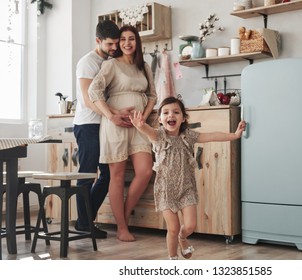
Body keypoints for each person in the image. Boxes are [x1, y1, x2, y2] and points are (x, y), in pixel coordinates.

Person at [129, 97, 246, 259]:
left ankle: (182, 238)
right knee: (173, 228)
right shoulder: (158, 136)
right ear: (161, 119)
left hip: (186, 188)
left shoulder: (188, 136)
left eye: (176, 112)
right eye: (166, 113)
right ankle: (173, 259)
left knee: (190, 226)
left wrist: (235, 135)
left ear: (183, 118)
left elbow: (212, 136)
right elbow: (147, 130)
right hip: (165, 190)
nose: (171, 115)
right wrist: (141, 126)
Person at [88, 25, 157, 242]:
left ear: (137, 42)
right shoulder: (111, 65)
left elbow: (152, 95)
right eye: (123, 39)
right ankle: (121, 228)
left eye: (132, 39)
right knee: (116, 176)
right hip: (115, 124)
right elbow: (93, 91)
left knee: (145, 171)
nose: (127, 43)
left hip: (139, 125)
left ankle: (123, 219)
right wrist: (111, 115)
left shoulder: (144, 67)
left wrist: (143, 118)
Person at [73, 20, 134, 239]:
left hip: (104, 124)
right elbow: (90, 100)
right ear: (98, 40)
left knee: (107, 174)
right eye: (109, 44)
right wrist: (113, 114)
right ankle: (84, 222)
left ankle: (84, 219)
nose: (113, 48)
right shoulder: (87, 62)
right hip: (88, 123)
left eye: (116, 43)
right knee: (88, 173)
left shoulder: (110, 60)